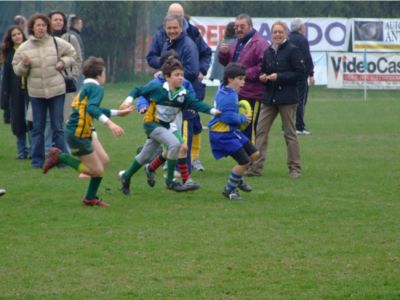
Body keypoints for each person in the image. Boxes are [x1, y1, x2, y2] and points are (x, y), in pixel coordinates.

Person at [118, 57, 220, 195]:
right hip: (152, 124)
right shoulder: (157, 88)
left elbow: (197, 104)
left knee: (144, 156)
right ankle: (170, 182)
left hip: (165, 126)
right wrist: (127, 101)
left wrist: (214, 112)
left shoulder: (183, 94)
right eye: (177, 75)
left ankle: (126, 176)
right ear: (167, 77)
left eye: (182, 75)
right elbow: (137, 90)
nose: (181, 78)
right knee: (175, 144)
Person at [42, 56, 134, 207]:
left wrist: (119, 113)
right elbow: (92, 108)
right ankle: (60, 156)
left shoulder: (87, 87)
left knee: (104, 161)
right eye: (104, 72)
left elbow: (93, 109)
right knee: (96, 170)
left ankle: (90, 198)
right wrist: (111, 124)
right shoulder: (96, 88)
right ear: (99, 74)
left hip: (83, 131)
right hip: (78, 134)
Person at [147, 3, 212, 172]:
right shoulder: (162, 34)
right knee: (168, 125)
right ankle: (166, 161)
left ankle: (187, 162)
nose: (173, 26)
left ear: (183, 17)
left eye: (179, 16)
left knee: (190, 126)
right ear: (166, 19)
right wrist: (164, 70)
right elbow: (151, 57)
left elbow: (201, 58)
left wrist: (202, 70)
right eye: (172, 16)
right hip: (169, 88)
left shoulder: (192, 35)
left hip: (189, 88)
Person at [12, 13, 76, 169]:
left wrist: (62, 62)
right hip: (36, 93)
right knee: (37, 128)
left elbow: (72, 54)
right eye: (38, 25)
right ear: (32, 27)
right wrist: (24, 65)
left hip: (57, 90)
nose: (41, 28)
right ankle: (37, 161)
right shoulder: (24, 47)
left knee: (58, 127)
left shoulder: (56, 42)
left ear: (47, 27)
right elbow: (17, 69)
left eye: (43, 25)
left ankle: (62, 161)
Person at [135, 50, 200, 190]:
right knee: (180, 147)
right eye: (168, 64)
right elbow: (143, 96)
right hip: (160, 122)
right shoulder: (156, 83)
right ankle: (184, 179)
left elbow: (192, 96)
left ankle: (151, 168)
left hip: (178, 118)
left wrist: (192, 107)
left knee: (174, 149)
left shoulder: (184, 82)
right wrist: (142, 106)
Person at [247, 21, 305, 178]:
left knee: (289, 133)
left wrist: (279, 77)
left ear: (286, 33)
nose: (278, 34)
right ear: (271, 34)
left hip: (287, 98)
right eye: (275, 32)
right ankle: (255, 168)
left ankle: (295, 168)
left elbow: (300, 74)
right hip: (269, 98)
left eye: (280, 32)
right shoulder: (268, 51)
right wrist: (263, 77)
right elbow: (265, 70)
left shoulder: (293, 51)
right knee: (260, 131)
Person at [209, 63, 260, 201]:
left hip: (231, 132)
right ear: (230, 79)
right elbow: (227, 117)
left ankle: (238, 179)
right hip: (221, 134)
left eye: (244, 79)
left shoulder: (226, 90)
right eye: (240, 79)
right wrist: (243, 118)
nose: (243, 82)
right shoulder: (229, 97)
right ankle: (230, 190)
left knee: (255, 154)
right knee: (244, 161)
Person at [218, 14, 269, 144]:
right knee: (239, 128)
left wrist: (243, 74)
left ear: (251, 26)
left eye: (242, 26)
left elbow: (264, 67)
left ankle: (252, 161)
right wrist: (223, 54)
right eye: (236, 27)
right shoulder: (236, 42)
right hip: (237, 93)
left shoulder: (261, 44)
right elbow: (228, 65)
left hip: (253, 94)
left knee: (250, 128)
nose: (239, 29)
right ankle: (245, 161)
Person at [1, 25, 31, 159]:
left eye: (19, 34)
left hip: (31, 90)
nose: (17, 36)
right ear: (11, 38)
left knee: (31, 120)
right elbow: (6, 77)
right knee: (18, 121)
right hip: (15, 92)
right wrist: (4, 96)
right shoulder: (8, 54)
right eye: (14, 35)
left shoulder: (30, 49)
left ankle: (33, 149)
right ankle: (22, 150)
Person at [48, 11, 82, 121]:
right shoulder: (44, 39)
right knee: (49, 118)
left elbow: (78, 59)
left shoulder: (70, 38)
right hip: (48, 83)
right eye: (55, 20)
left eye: (61, 20)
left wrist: (74, 77)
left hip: (66, 82)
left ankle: (66, 138)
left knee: (67, 117)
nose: (58, 22)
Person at [289, 18, 315, 135]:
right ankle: (299, 127)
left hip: (288, 75)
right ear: (300, 27)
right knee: (300, 100)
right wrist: (311, 74)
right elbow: (307, 57)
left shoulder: (287, 38)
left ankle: (287, 126)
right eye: (303, 25)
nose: (305, 27)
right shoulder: (302, 40)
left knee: (288, 101)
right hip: (300, 75)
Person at [68, 15, 85, 89]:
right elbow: (78, 54)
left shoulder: (70, 34)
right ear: (77, 24)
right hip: (75, 69)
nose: (81, 26)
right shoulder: (74, 36)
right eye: (81, 24)